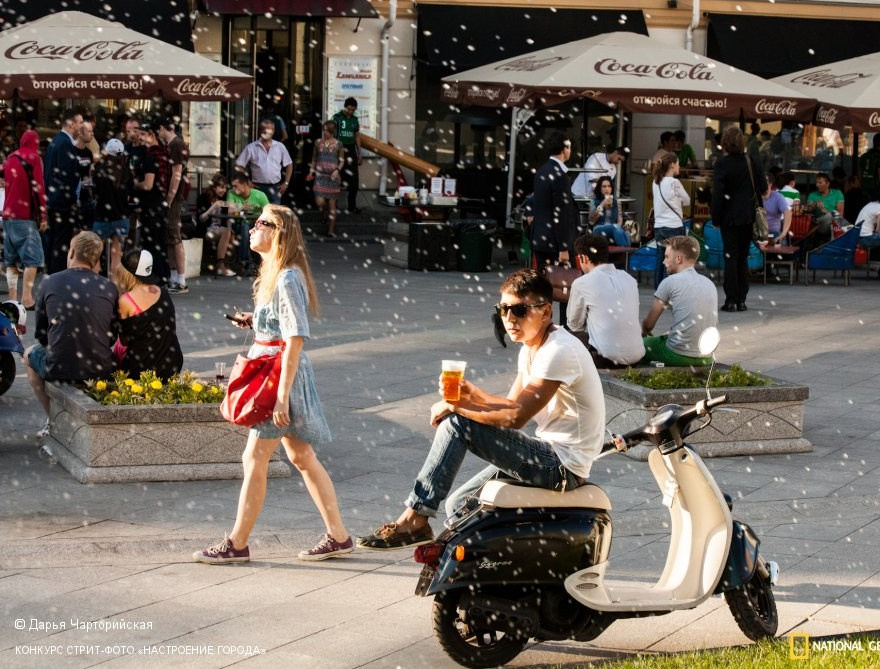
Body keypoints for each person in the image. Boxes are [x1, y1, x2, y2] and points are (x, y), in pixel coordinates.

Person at [357, 269, 606, 549]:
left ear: (546, 311)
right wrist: (472, 396)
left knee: (456, 424)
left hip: (562, 467)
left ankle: (415, 519)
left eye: (520, 310)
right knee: (460, 506)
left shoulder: (559, 350)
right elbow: (510, 404)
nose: (510, 319)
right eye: (503, 309)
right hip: (547, 453)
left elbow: (515, 417)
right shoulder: (532, 348)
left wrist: (458, 407)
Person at [194, 205, 352, 564]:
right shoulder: (277, 273)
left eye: (261, 223)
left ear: (278, 233)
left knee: (255, 457)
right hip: (279, 372)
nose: (252, 228)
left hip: (279, 376)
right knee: (301, 456)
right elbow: (282, 327)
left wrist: (282, 397)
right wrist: (256, 322)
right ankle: (339, 536)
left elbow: (295, 337)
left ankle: (237, 544)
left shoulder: (287, 278)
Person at [23, 231, 117, 439]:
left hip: (60, 365)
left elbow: (41, 333)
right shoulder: (109, 286)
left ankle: (55, 420)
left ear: (72, 252)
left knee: (29, 354)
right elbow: (112, 334)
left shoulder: (49, 282)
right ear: (96, 259)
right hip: (99, 365)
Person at [567, 233, 645, 368]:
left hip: (605, 359)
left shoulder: (582, 283)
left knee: (567, 338)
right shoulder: (629, 279)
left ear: (583, 258)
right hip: (637, 355)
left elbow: (575, 326)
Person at [711, 125, 766, 313]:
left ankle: (731, 299)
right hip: (748, 215)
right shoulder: (752, 161)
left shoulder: (722, 164)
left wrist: (715, 218)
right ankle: (742, 298)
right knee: (743, 257)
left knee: (730, 257)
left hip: (729, 217)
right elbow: (763, 187)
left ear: (725, 143)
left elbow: (717, 194)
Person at [640, 235, 718, 366]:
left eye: (666, 257)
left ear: (678, 259)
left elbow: (649, 324)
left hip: (677, 354)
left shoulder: (669, 282)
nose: (663, 262)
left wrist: (644, 331)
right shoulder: (709, 283)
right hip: (707, 357)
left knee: (638, 346)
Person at [113, 249, 183, 379]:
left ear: (126, 273)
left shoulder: (126, 300)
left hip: (142, 368)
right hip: (171, 364)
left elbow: (123, 340)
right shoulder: (163, 292)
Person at [2, 129, 47, 310]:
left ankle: (12, 297)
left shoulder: (11, 157)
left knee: (11, 260)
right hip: (24, 215)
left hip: (7, 216)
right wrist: (43, 215)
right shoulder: (34, 158)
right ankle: (27, 298)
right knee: (33, 259)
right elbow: (39, 188)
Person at [43, 107, 83, 274]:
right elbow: (67, 177)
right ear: (71, 124)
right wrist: (72, 200)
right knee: (60, 245)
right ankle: (56, 277)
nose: (81, 126)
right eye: (80, 123)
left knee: (53, 243)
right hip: (62, 204)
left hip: (53, 200)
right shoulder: (65, 144)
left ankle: (51, 276)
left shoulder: (55, 142)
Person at [529, 132, 577, 272]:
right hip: (555, 243)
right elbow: (561, 213)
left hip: (541, 238)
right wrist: (563, 247)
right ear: (565, 149)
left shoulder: (541, 171)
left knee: (543, 284)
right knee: (562, 287)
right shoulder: (560, 176)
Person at [153, 117, 190, 295]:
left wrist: (169, 197)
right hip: (173, 197)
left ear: (162, 128)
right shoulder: (175, 144)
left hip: (174, 198)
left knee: (174, 236)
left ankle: (181, 279)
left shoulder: (176, 145)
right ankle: (175, 276)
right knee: (170, 235)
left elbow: (176, 173)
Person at [132, 122, 170, 284]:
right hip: (161, 203)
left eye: (142, 134)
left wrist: (134, 184)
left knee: (151, 242)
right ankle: (163, 275)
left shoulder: (150, 157)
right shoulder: (164, 153)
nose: (139, 138)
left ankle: (154, 277)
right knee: (160, 241)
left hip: (151, 205)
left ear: (151, 135)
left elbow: (148, 184)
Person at [92, 138, 133, 276]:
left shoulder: (99, 171)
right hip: (121, 216)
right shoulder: (126, 173)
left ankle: (95, 286)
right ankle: (115, 288)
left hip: (102, 216)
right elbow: (129, 195)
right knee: (116, 257)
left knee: (95, 255)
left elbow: (95, 193)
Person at [652, 150, 690, 288]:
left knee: (660, 259)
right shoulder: (675, 183)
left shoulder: (656, 182)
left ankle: (659, 290)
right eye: (678, 164)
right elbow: (687, 201)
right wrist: (677, 199)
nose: (679, 167)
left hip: (659, 227)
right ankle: (670, 291)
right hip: (674, 227)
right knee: (674, 261)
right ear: (673, 165)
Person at [235, 119, 293, 206]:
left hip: (275, 187)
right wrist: (247, 181)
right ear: (260, 131)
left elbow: (289, 164)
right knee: (257, 214)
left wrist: (286, 183)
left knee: (274, 216)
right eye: (264, 129)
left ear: (273, 131)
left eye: (269, 129)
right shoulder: (251, 147)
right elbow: (238, 165)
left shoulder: (280, 147)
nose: (266, 131)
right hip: (257, 187)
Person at [227, 173, 270, 274]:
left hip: (258, 225)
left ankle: (260, 263)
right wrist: (241, 208)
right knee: (244, 228)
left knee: (255, 230)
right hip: (238, 224)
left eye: (235, 185)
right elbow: (228, 210)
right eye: (232, 186)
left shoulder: (259, 195)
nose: (233, 188)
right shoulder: (231, 193)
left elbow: (269, 212)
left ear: (245, 184)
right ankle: (244, 262)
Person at [195, 172, 236, 276]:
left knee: (231, 233)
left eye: (225, 188)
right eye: (221, 187)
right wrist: (213, 207)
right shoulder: (204, 198)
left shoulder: (224, 198)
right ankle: (221, 267)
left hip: (220, 229)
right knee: (227, 232)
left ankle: (225, 266)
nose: (224, 190)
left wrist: (240, 209)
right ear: (214, 187)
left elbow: (230, 212)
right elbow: (201, 219)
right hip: (206, 230)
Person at [307, 120, 343, 237]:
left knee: (332, 204)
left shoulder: (338, 144)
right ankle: (325, 210)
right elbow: (314, 159)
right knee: (319, 202)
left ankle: (330, 230)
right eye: (324, 130)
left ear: (333, 132)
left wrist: (337, 171)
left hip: (333, 177)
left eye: (328, 131)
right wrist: (311, 171)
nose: (325, 132)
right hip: (320, 176)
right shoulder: (318, 143)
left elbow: (342, 160)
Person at [331, 97, 363, 214]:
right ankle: (333, 206)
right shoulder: (337, 117)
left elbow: (357, 137)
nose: (350, 112)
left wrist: (359, 153)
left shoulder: (355, 120)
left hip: (351, 150)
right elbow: (332, 134)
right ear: (345, 107)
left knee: (354, 180)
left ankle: (351, 206)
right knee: (336, 177)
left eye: (352, 110)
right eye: (349, 109)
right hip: (339, 149)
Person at [589, 175, 629, 246]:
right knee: (616, 228)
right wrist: (602, 204)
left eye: (609, 186)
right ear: (599, 188)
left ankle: (626, 252)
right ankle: (626, 252)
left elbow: (620, 221)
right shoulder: (594, 202)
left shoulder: (617, 202)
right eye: (604, 186)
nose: (607, 189)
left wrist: (617, 228)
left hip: (614, 228)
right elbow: (592, 221)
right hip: (599, 228)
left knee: (627, 233)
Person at [74, 120, 97, 231]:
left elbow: (89, 172)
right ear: (80, 133)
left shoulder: (88, 153)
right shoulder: (71, 151)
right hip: (74, 198)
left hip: (86, 198)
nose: (92, 134)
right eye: (89, 131)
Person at [763, 174, 792, 245]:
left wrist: (784, 233)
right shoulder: (754, 196)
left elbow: (788, 213)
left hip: (772, 233)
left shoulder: (777, 197)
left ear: (770, 184)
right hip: (756, 234)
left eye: (764, 181)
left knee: (781, 243)